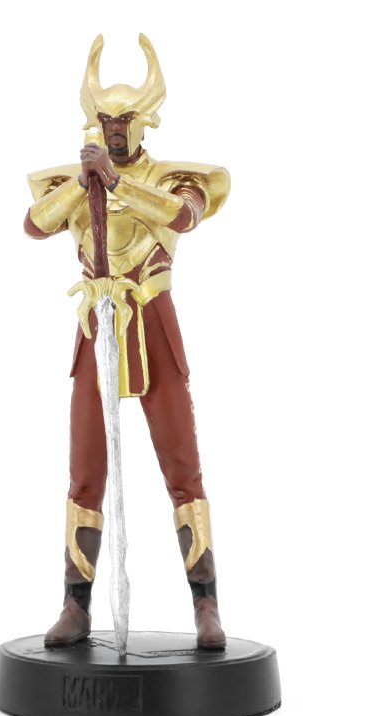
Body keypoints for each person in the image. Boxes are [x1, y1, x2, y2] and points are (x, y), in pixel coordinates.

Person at [24, 34, 231, 650]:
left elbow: (184, 216)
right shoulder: (76, 179)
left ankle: (206, 604)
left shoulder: (173, 180)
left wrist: (117, 183)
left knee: (183, 468)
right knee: (85, 473)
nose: (116, 129)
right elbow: (34, 224)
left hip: (153, 324)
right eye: (107, 120)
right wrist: (84, 181)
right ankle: (75, 604)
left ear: (145, 122)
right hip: (97, 329)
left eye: (126, 120)